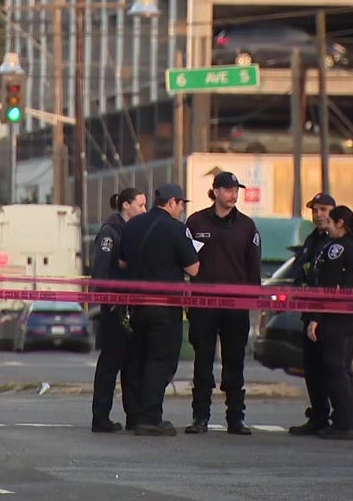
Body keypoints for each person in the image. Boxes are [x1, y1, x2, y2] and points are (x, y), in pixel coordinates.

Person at [183, 172, 262, 436]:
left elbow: (253, 267)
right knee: (202, 362)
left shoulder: (246, 226)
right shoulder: (196, 222)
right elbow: (185, 260)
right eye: (228, 189)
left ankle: (235, 418)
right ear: (215, 191)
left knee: (234, 362)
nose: (233, 194)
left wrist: (252, 299)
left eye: (236, 190)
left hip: (235, 305)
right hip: (204, 303)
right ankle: (200, 417)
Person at [119, 183, 200, 437]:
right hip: (165, 307)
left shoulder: (133, 225)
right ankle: (151, 417)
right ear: (172, 202)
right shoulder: (177, 229)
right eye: (181, 204)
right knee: (160, 360)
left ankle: (134, 415)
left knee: (137, 359)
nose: (182, 210)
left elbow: (122, 261)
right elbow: (193, 268)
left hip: (136, 305)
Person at [295, 205, 353, 440]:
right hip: (349, 316)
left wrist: (315, 319)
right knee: (342, 369)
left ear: (340, 223)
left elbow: (327, 287)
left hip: (334, 317)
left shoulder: (337, 248)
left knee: (335, 370)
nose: (327, 226)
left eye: (330, 222)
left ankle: (344, 424)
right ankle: (344, 421)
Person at [88, 187, 147, 433]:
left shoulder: (134, 230)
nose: (144, 209)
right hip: (114, 307)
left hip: (131, 305)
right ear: (126, 205)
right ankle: (101, 417)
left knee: (132, 362)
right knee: (110, 363)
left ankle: (134, 415)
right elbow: (101, 270)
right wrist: (107, 300)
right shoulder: (110, 232)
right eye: (140, 205)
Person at [289, 192, 337, 436]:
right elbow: (301, 268)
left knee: (333, 369)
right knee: (313, 368)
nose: (318, 215)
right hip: (310, 312)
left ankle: (340, 419)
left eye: (323, 210)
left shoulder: (337, 241)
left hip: (331, 316)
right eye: (315, 210)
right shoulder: (313, 239)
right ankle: (318, 416)